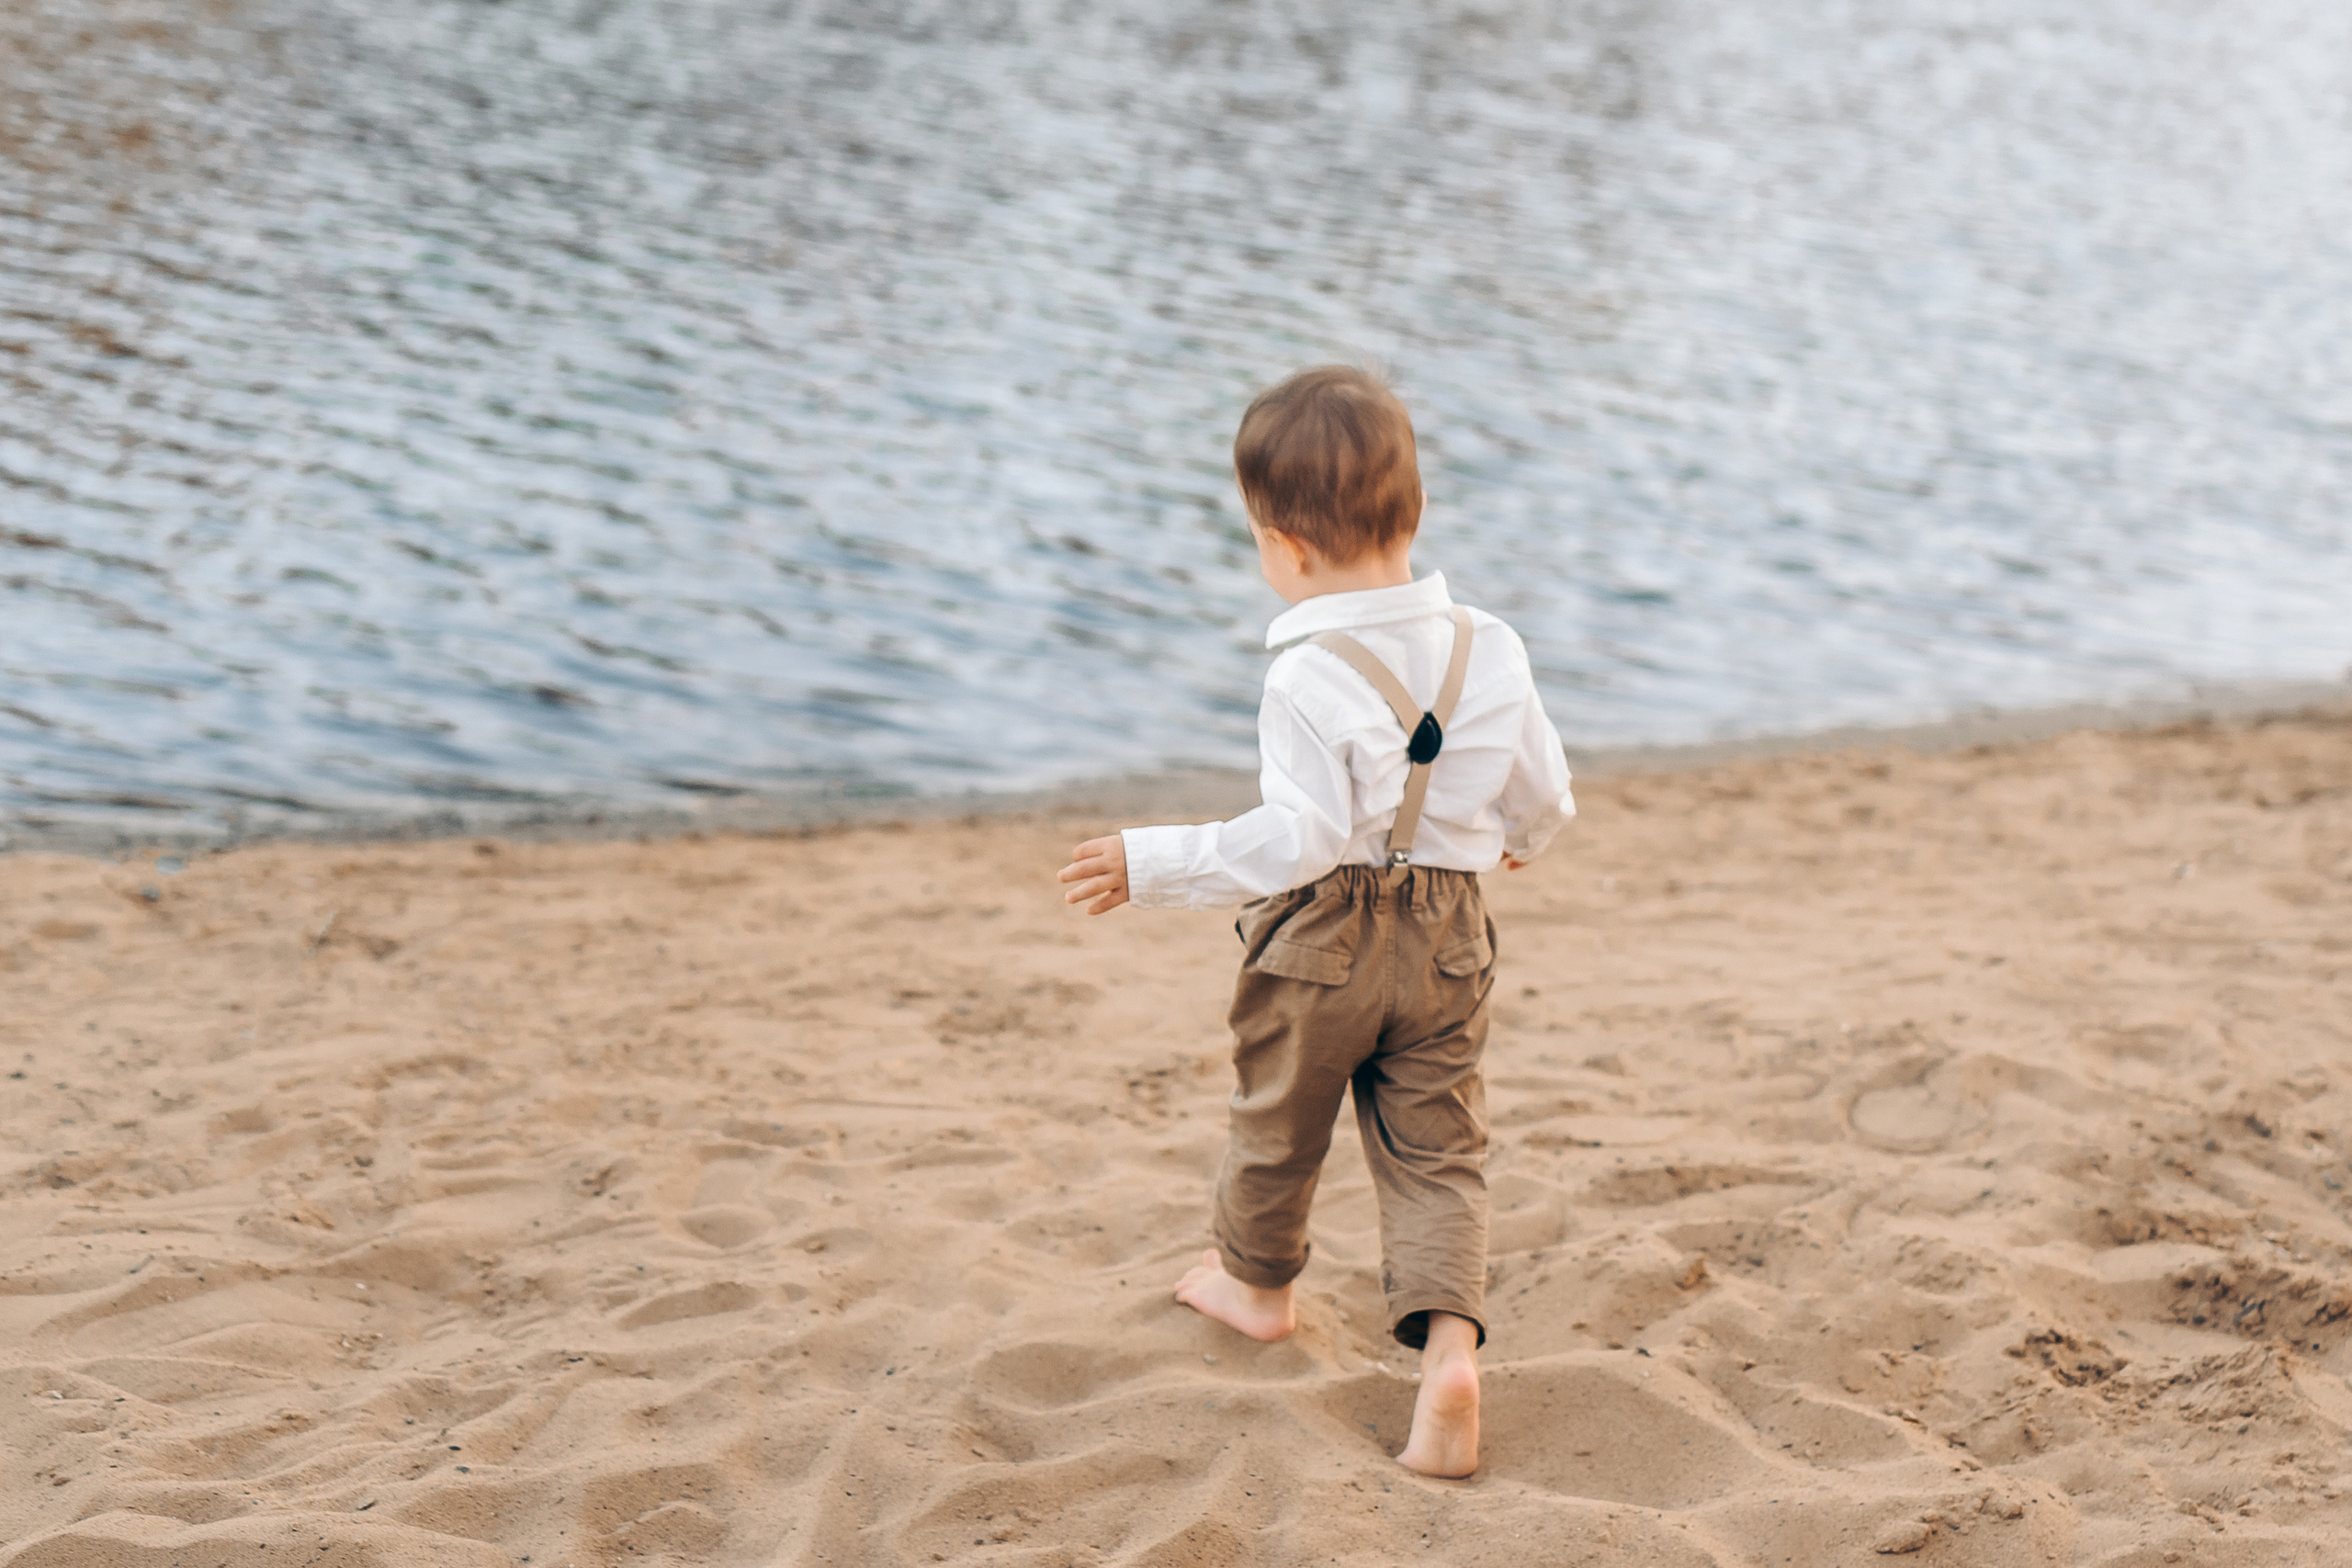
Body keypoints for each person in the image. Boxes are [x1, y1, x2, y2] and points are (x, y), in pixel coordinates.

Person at [1056, 365, 1576, 1477]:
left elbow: (1298, 839)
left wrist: (1155, 861)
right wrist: (1521, 834)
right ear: (1417, 511)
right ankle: (1446, 1354)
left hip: (1321, 937)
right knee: (1440, 1149)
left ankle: (1255, 1290)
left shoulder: (1304, 671)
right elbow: (1543, 789)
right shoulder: (1492, 645)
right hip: (1449, 932)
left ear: (1284, 549)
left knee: (1278, 1118)